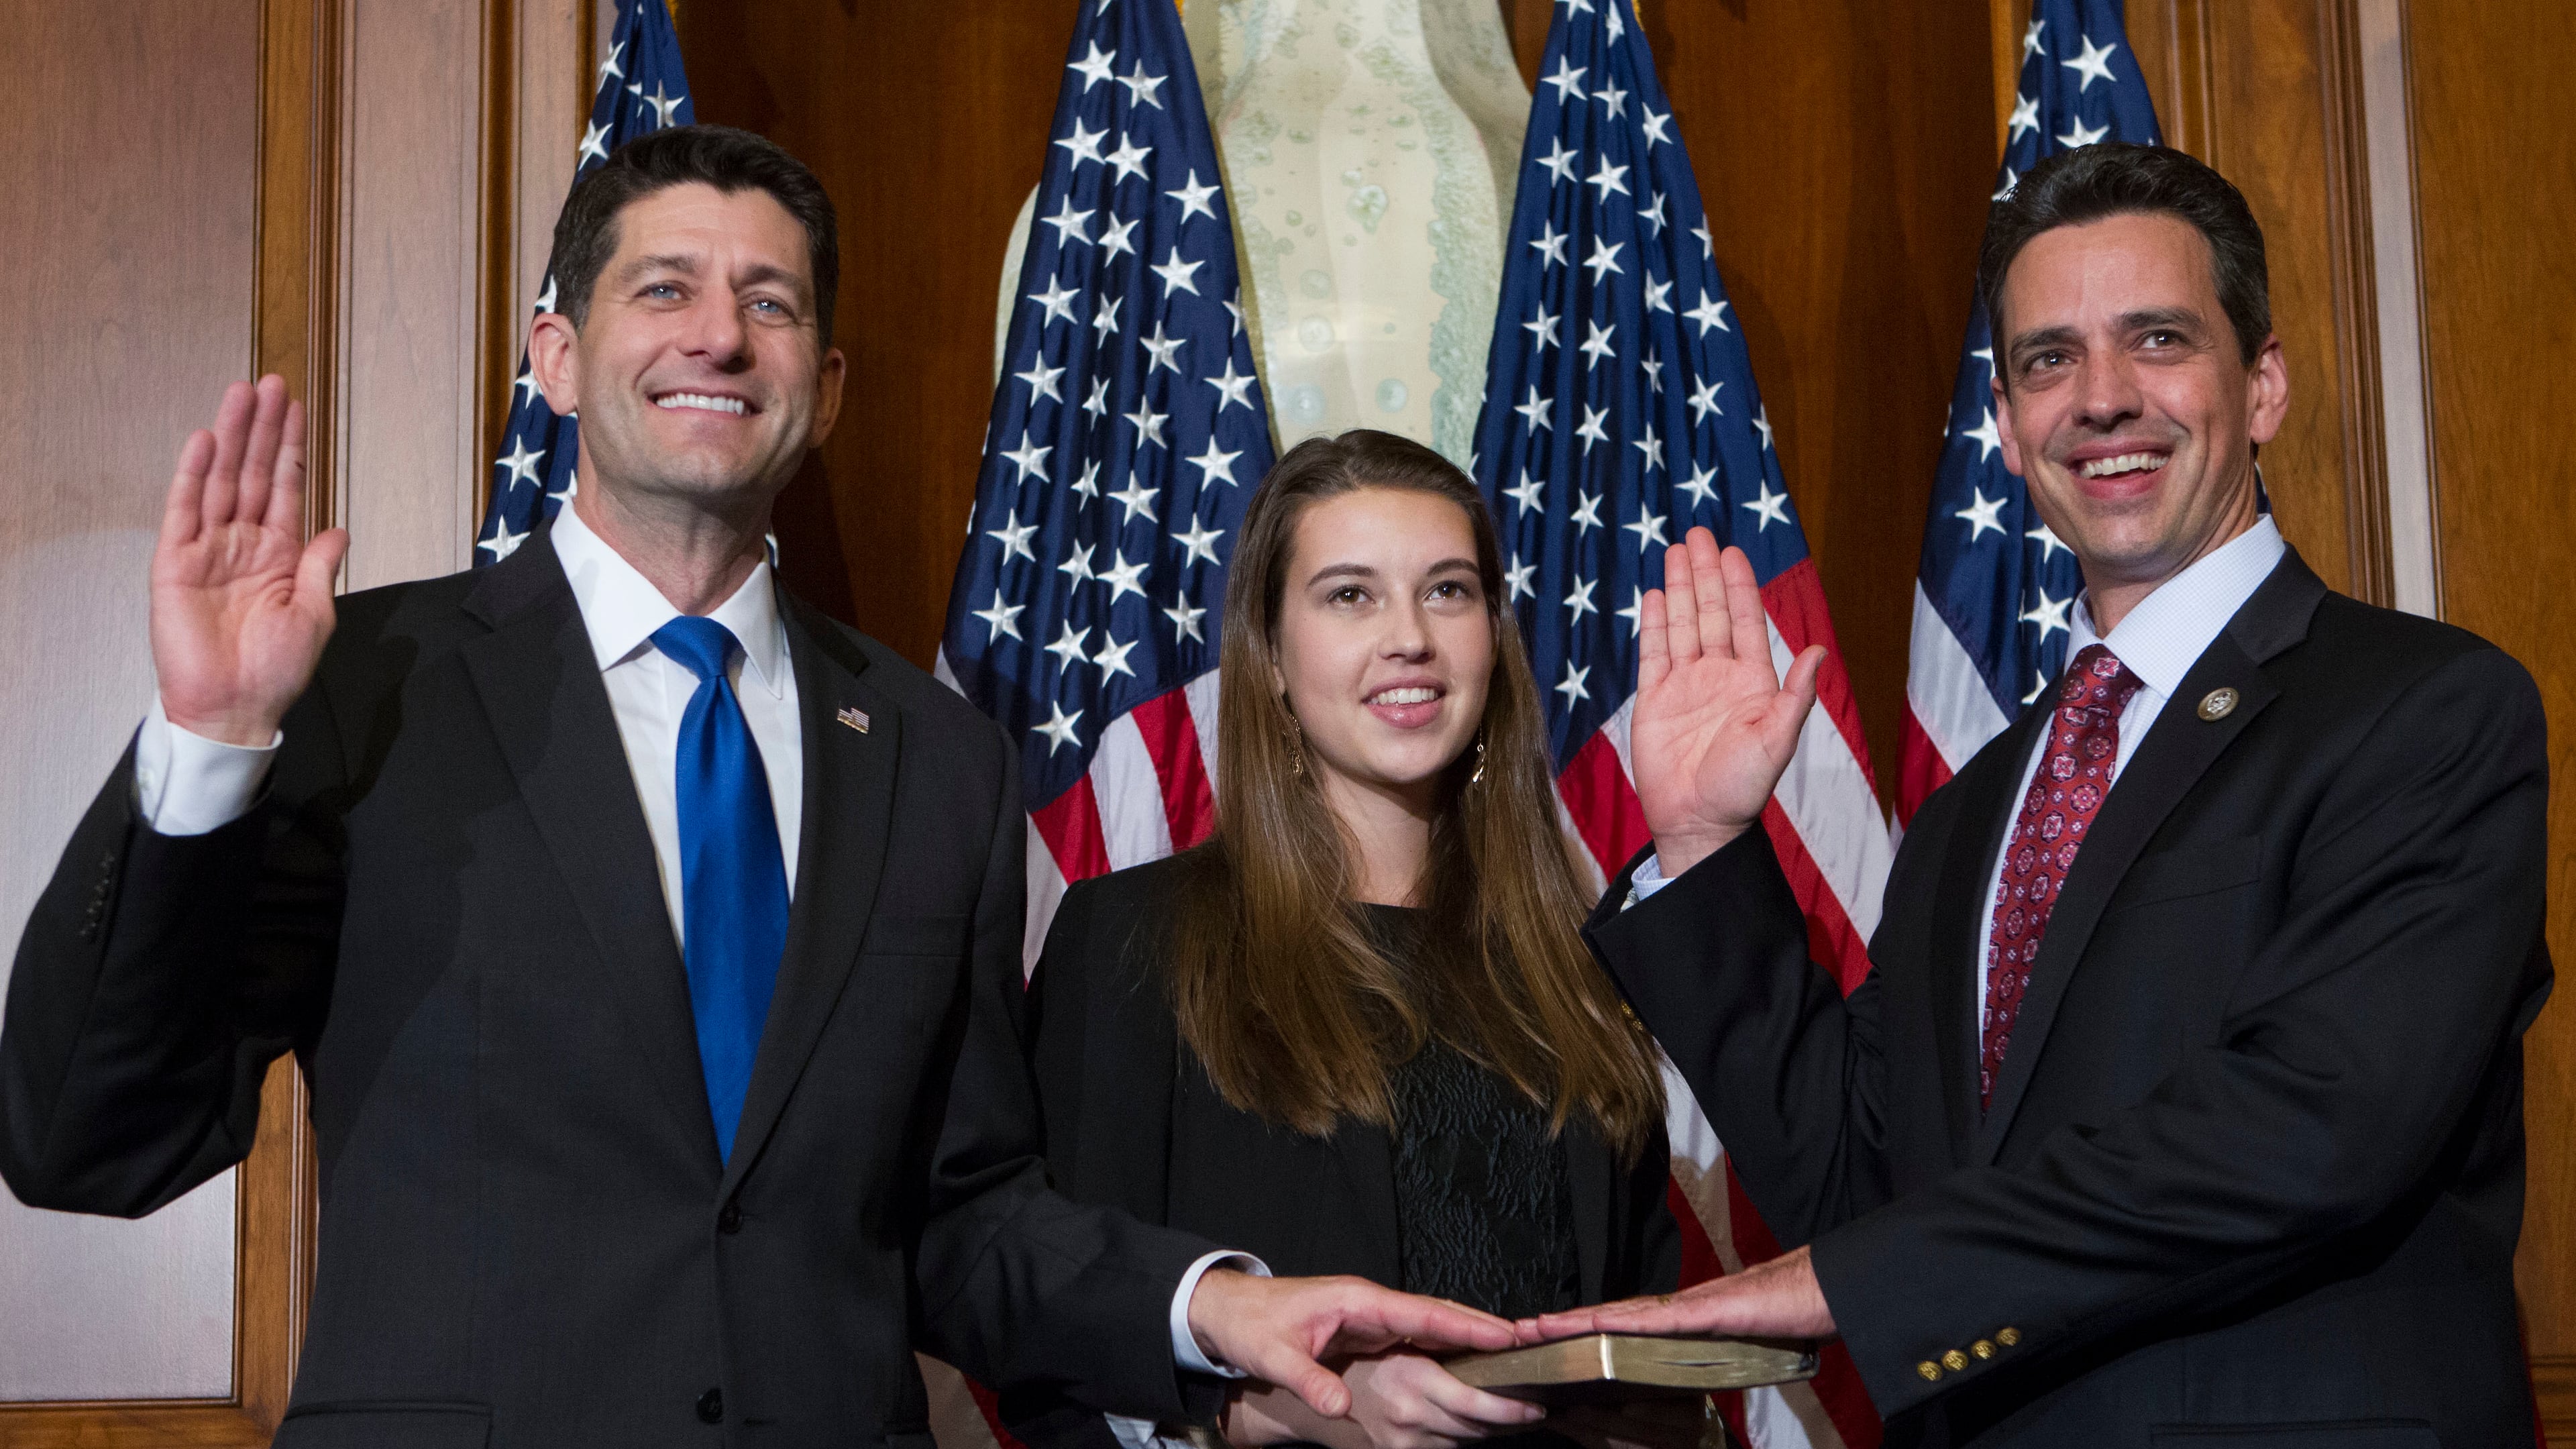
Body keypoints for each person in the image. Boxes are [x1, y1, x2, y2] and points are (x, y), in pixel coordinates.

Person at [0, 126, 1515, 1448]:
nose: (718, 337)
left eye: (768, 303)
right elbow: (89, 1141)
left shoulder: (938, 762)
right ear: (556, 356)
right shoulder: (362, 686)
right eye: (663, 289)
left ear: (827, 385)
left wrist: (1214, 1306)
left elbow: (963, 1218)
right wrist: (207, 742)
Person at [1525, 144, 2552, 1447]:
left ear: (2266, 385)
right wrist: (1705, 844)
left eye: (2159, 340)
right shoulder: (1984, 808)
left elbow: (2318, 1129)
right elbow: (1863, 1177)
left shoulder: (2423, 712)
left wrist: (1855, 1288)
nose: (2104, 399)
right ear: (2006, 426)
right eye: (2050, 360)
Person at [1009, 432, 1682, 1449]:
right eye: (1350, 595)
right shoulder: (1134, 943)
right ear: (1272, 656)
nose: (1410, 635)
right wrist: (1268, 1415)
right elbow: (1051, 1327)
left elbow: (1639, 1325)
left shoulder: (1577, 966)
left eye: (1448, 591)